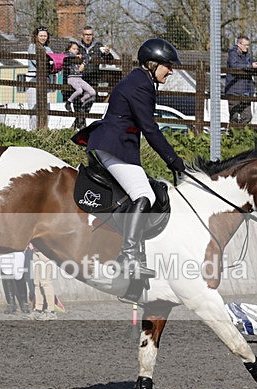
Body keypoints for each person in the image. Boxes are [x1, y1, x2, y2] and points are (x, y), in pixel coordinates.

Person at [74, 38, 185, 278]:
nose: (172, 70)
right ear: (153, 64)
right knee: (143, 195)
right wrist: (173, 160)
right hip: (113, 146)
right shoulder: (140, 86)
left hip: (118, 146)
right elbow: (150, 128)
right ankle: (128, 256)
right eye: (168, 65)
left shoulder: (141, 80)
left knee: (149, 190)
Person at [225, 35, 257, 128]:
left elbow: (250, 64)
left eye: (248, 45)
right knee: (234, 116)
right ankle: (233, 136)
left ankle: (239, 134)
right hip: (234, 91)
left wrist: (256, 66)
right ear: (239, 44)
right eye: (245, 45)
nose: (247, 47)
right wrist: (250, 66)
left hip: (246, 92)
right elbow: (234, 66)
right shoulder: (233, 54)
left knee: (247, 116)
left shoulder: (247, 56)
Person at [76, 25, 113, 107]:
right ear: (82, 36)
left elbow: (110, 60)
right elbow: (67, 55)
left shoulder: (98, 46)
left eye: (90, 35)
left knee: (89, 104)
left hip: (93, 81)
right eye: (86, 34)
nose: (88, 37)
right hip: (79, 80)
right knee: (78, 105)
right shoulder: (77, 46)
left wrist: (107, 53)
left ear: (93, 36)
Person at [62, 40, 95, 128]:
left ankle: (81, 101)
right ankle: (68, 102)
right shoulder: (67, 56)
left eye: (77, 49)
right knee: (79, 91)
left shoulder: (81, 57)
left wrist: (83, 63)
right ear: (69, 49)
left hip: (79, 78)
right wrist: (76, 56)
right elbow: (66, 56)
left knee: (92, 92)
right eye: (74, 49)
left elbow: (88, 57)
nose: (76, 50)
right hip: (71, 78)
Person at [26, 26, 53, 130]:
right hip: (33, 78)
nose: (43, 38)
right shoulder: (32, 47)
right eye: (41, 36)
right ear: (36, 36)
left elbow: (53, 61)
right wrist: (48, 63)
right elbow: (38, 62)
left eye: (45, 36)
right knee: (34, 106)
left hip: (45, 79)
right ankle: (33, 130)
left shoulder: (48, 49)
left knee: (46, 106)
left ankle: (44, 129)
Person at [30, 244, 57, 320]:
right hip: (35, 252)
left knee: (46, 282)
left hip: (45, 252)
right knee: (37, 283)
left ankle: (51, 310)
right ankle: (38, 308)